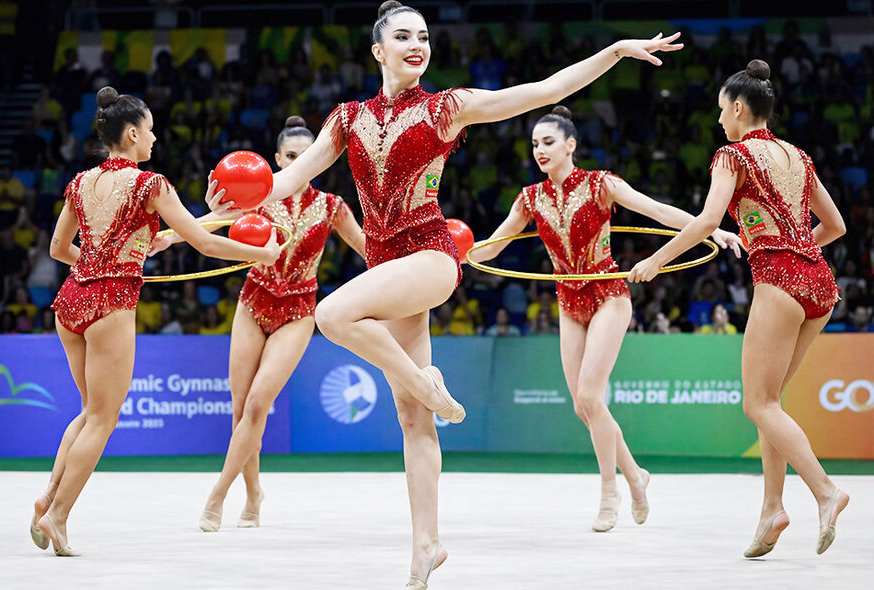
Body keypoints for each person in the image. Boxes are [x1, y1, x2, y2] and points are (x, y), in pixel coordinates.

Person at [208, 3, 682, 586]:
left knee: (331, 312)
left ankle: (424, 382)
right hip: (387, 271)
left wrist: (613, 52)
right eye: (402, 36)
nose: (416, 44)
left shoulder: (446, 107)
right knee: (413, 423)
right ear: (377, 50)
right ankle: (425, 545)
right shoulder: (346, 118)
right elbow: (286, 180)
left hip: (431, 256)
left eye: (424, 36)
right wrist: (244, 199)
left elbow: (540, 91)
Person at [30, 86, 280, 556]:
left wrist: (114, 258)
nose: (155, 137)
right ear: (131, 133)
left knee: (87, 413)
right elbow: (205, 247)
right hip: (109, 305)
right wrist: (260, 253)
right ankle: (58, 516)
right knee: (103, 419)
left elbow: (59, 250)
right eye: (149, 130)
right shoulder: (151, 185)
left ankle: (48, 495)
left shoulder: (80, 182)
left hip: (71, 303)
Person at [470, 105, 742, 532]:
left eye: (549, 142)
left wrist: (716, 230)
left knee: (591, 397)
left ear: (571, 145)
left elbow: (660, 213)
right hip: (568, 302)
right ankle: (636, 475)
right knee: (583, 405)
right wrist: (453, 251)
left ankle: (609, 492)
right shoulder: (529, 198)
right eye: (535, 144)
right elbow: (492, 247)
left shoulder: (602, 184)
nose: (540, 150)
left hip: (609, 296)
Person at [628, 60, 849, 557]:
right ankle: (772, 510)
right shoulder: (798, 155)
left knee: (757, 404)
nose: (718, 120)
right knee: (772, 403)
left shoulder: (732, 156)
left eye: (721, 110)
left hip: (779, 281)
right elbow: (834, 225)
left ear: (738, 107)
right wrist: (799, 252)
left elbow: (708, 220)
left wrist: (655, 262)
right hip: (819, 283)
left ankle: (826, 491)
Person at [154, 116, 365, 531]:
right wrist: (170, 238)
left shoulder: (333, 207)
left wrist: (415, 262)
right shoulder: (260, 196)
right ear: (277, 159)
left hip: (298, 310)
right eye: (290, 156)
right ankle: (253, 493)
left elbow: (366, 248)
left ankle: (218, 494)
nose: (297, 163)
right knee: (239, 408)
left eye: (306, 157)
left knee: (257, 405)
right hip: (254, 302)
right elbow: (211, 224)